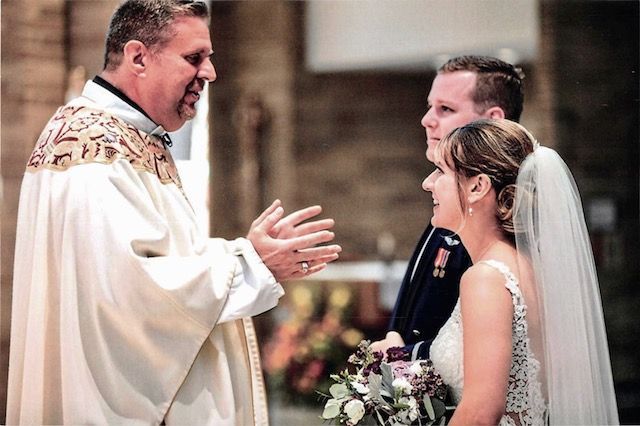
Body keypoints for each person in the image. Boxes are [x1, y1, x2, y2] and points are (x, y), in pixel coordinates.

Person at [6, 1, 342, 424]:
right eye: (193, 58)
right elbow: (128, 296)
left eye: (209, 58)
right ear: (138, 57)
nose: (210, 73)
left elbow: (153, 259)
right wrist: (248, 263)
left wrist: (245, 255)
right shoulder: (95, 150)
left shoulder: (129, 135)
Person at [427, 119, 619, 424]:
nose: (428, 183)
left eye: (440, 171)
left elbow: (479, 414)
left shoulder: (487, 279)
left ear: (477, 186)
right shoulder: (529, 268)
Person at [371, 56, 525, 359]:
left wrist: (404, 354)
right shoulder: (453, 201)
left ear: (493, 119)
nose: (427, 120)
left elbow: (482, 347)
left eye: (446, 109)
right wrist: (395, 335)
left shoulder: (498, 221)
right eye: (430, 106)